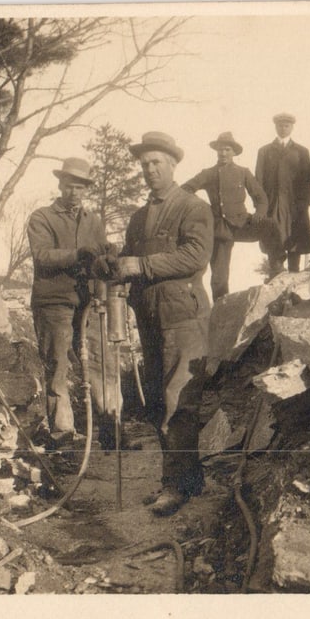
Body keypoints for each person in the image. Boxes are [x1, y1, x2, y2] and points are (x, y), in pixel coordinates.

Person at [107, 132, 213, 516]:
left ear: (172, 164)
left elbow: (196, 256)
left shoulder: (192, 207)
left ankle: (176, 485)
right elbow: (128, 258)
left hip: (183, 315)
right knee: (156, 400)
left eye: (157, 163)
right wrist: (114, 263)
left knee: (178, 400)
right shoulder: (139, 217)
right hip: (149, 318)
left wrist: (144, 265)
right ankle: (187, 479)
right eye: (145, 164)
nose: (150, 170)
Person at [26, 157, 111, 445]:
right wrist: (77, 254)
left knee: (97, 363)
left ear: (86, 189)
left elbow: (99, 260)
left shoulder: (93, 221)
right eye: (70, 186)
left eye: (81, 187)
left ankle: (111, 431)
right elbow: (42, 256)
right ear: (60, 185)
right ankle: (64, 436)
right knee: (58, 366)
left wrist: (106, 265)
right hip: (53, 301)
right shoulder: (42, 217)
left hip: (86, 303)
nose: (75, 192)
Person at [181, 131, 268, 300]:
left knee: (271, 227)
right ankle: (221, 308)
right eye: (220, 149)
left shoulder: (243, 172)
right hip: (220, 229)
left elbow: (261, 197)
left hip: (243, 224)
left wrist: (260, 213)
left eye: (227, 149)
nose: (223, 153)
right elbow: (185, 190)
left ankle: (277, 269)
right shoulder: (208, 173)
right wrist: (203, 208)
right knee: (219, 276)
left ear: (234, 152)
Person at [255, 113, 310, 275]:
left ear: (292, 127)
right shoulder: (265, 151)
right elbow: (258, 180)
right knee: (273, 243)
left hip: (295, 206)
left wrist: (304, 203)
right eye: (280, 125)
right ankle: (276, 280)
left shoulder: (301, 151)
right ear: (275, 127)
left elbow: (307, 180)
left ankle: (294, 282)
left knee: (295, 243)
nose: (283, 128)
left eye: (286, 125)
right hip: (272, 205)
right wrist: (261, 205)